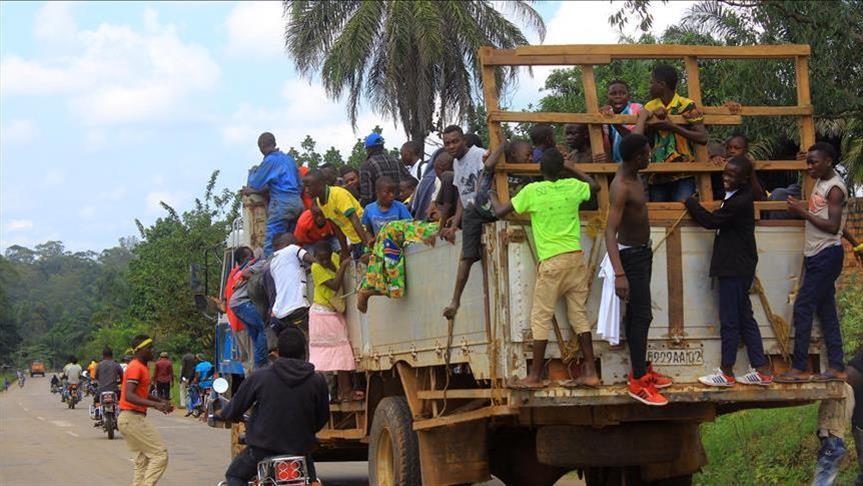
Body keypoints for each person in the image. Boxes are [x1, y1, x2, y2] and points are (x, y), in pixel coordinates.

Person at [487, 147, 601, 389]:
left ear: (539, 169)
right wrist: (572, 168)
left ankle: (535, 375)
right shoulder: (572, 187)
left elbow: (499, 212)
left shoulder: (533, 191)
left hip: (552, 261)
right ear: (562, 169)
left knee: (541, 317)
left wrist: (492, 195)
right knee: (578, 315)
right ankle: (590, 371)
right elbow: (595, 186)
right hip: (575, 258)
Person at [685, 156, 773, 387]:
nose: (726, 178)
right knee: (745, 318)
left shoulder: (739, 201)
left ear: (743, 179)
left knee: (730, 320)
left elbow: (712, 222)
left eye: (731, 175)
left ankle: (726, 372)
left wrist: (691, 204)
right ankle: (762, 369)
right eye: (725, 173)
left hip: (734, 267)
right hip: (739, 265)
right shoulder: (736, 196)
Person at [605, 118, 673, 406]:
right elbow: (610, 231)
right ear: (635, 158)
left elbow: (636, 132)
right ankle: (638, 382)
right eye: (646, 154)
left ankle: (641, 369)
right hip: (630, 257)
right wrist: (619, 273)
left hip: (642, 252)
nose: (650, 156)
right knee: (642, 315)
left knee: (637, 315)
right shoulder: (622, 186)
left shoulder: (635, 175)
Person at [777, 143, 852, 383]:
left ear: (828, 161)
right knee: (826, 311)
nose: (809, 166)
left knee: (803, 307)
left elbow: (832, 227)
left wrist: (802, 212)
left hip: (826, 255)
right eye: (807, 162)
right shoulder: (821, 181)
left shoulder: (835, 189)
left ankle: (800, 367)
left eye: (813, 162)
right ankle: (837, 367)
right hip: (818, 255)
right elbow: (840, 226)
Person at [219, 328, 329, 486]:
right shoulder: (317, 381)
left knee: (235, 476)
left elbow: (235, 408)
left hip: (262, 450)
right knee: (312, 481)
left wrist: (221, 414)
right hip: (301, 450)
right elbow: (321, 418)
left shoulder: (259, 377)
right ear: (304, 352)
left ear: (277, 352)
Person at [442, 138, 533, 320]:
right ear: (514, 155)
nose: (531, 158)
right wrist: (502, 146)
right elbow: (489, 163)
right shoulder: (497, 169)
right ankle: (455, 300)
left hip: (499, 211)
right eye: (527, 155)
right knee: (466, 257)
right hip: (477, 210)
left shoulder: (528, 175)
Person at [643, 64, 708, 202]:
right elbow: (647, 140)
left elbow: (702, 138)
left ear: (661, 84)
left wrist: (673, 127)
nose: (649, 86)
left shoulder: (685, 105)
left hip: (683, 173)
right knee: (661, 217)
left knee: (683, 214)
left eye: (651, 82)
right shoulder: (650, 106)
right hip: (657, 174)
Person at [117, 335, 173, 486]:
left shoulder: (142, 367)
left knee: (142, 462)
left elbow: (140, 393)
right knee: (160, 455)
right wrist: (155, 405)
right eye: (149, 348)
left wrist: (160, 401)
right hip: (132, 417)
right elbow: (129, 395)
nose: (152, 351)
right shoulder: (136, 367)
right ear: (140, 350)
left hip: (128, 419)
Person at [309, 241, 361, 402]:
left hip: (330, 313)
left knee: (337, 355)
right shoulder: (316, 268)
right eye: (320, 259)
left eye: (326, 259)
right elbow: (334, 285)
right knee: (339, 353)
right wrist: (343, 266)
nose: (324, 262)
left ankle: (343, 391)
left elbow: (341, 255)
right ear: (315, 258)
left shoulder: (333, 258)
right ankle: (345, 391)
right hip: (323, 314)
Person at [357, 217, 440, 313]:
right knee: (392, 268)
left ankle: (368, 288)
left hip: (401, 229)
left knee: (388, 244)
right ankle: (369, 289)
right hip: (422, 227)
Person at [245, 132, 305, 257]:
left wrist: (252, 174)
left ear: (261, 146)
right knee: (291, 241)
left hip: (281, 204)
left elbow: (256, 182)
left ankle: (269, 269)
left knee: (272, 242)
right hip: (298, 203)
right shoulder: (289, 159)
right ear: (275, 143)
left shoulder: (270, 161)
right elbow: (300, 184)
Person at [305, 170, 373, 258]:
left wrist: (367, 247)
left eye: (308, 186)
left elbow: (355, 221)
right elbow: (336, 227)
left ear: (320, 184)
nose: (306, 190)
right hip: (354, 239)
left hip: (365, 235)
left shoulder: (338, 195)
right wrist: (345, 251)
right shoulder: (320, 201)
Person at [439, 125, 485, 243]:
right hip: (470, 218)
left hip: (484, 214)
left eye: (455, 141)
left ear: (464, 140)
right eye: (447, 143)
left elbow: (486, 185)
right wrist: (454, 226)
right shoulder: (456, 162)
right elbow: (462, 196)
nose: (451, 146)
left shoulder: (479, 155)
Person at [269, 232, 317, 344]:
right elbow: (313, 260)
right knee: (310, 340)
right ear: (285, 242)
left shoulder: (273, 262)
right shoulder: (292, 249)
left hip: (279, 314)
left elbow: (291, 276)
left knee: (294, 344)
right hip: (297, 308)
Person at [228, 246, 271, 370]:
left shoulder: (235, 272)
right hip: (242, 302)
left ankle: (259, 365)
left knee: (255, 335)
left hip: (236, 305)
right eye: (250, 256)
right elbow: (247, 273)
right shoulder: (260, 263)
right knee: (261, 328)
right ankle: (261, 364)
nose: (252, 258)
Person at [358, 132, 414, 207]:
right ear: (382, 146)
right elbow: (411, 182)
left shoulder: (366, 166)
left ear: (368, 149)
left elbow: (367, 197)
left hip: (379, 211)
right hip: (400, 207)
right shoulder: (397, 161)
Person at [601, 80, 644, 163]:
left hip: (636, 164)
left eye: (622, 93)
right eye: (613, 93)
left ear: (629, 96)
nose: (618, 96)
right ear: (607, 97)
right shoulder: (604, 113)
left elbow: (635, 139)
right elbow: (606, 143)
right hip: (614, 165)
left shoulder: (637, 109)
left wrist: (613, 121)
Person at [94, 347, 123, 416]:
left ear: (103, 355)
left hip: (101, 390)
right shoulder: (116, 365)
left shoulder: (99, 365)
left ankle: (97, 413)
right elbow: (122, 376)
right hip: (114, 390)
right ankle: (120, 412)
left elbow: (96, 377)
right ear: (112, 355)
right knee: (121, 400)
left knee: (96, 400)